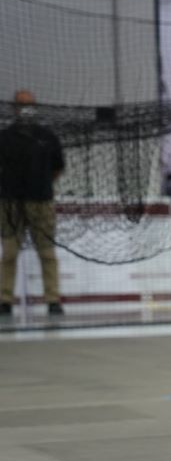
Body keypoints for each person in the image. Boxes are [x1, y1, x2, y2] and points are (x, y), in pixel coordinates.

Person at [0, 90, 66, 316]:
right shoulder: (4, 137)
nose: (26, 109)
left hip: (41, 203)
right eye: (21, 105)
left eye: (30, 105)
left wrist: (41, 185)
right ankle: (5, 300)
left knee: (47, 253)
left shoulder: (47, 137)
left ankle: (53, 299)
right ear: (13, 108)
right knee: (9, 253)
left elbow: (58, 168)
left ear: (36, 107)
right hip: (10, 205)